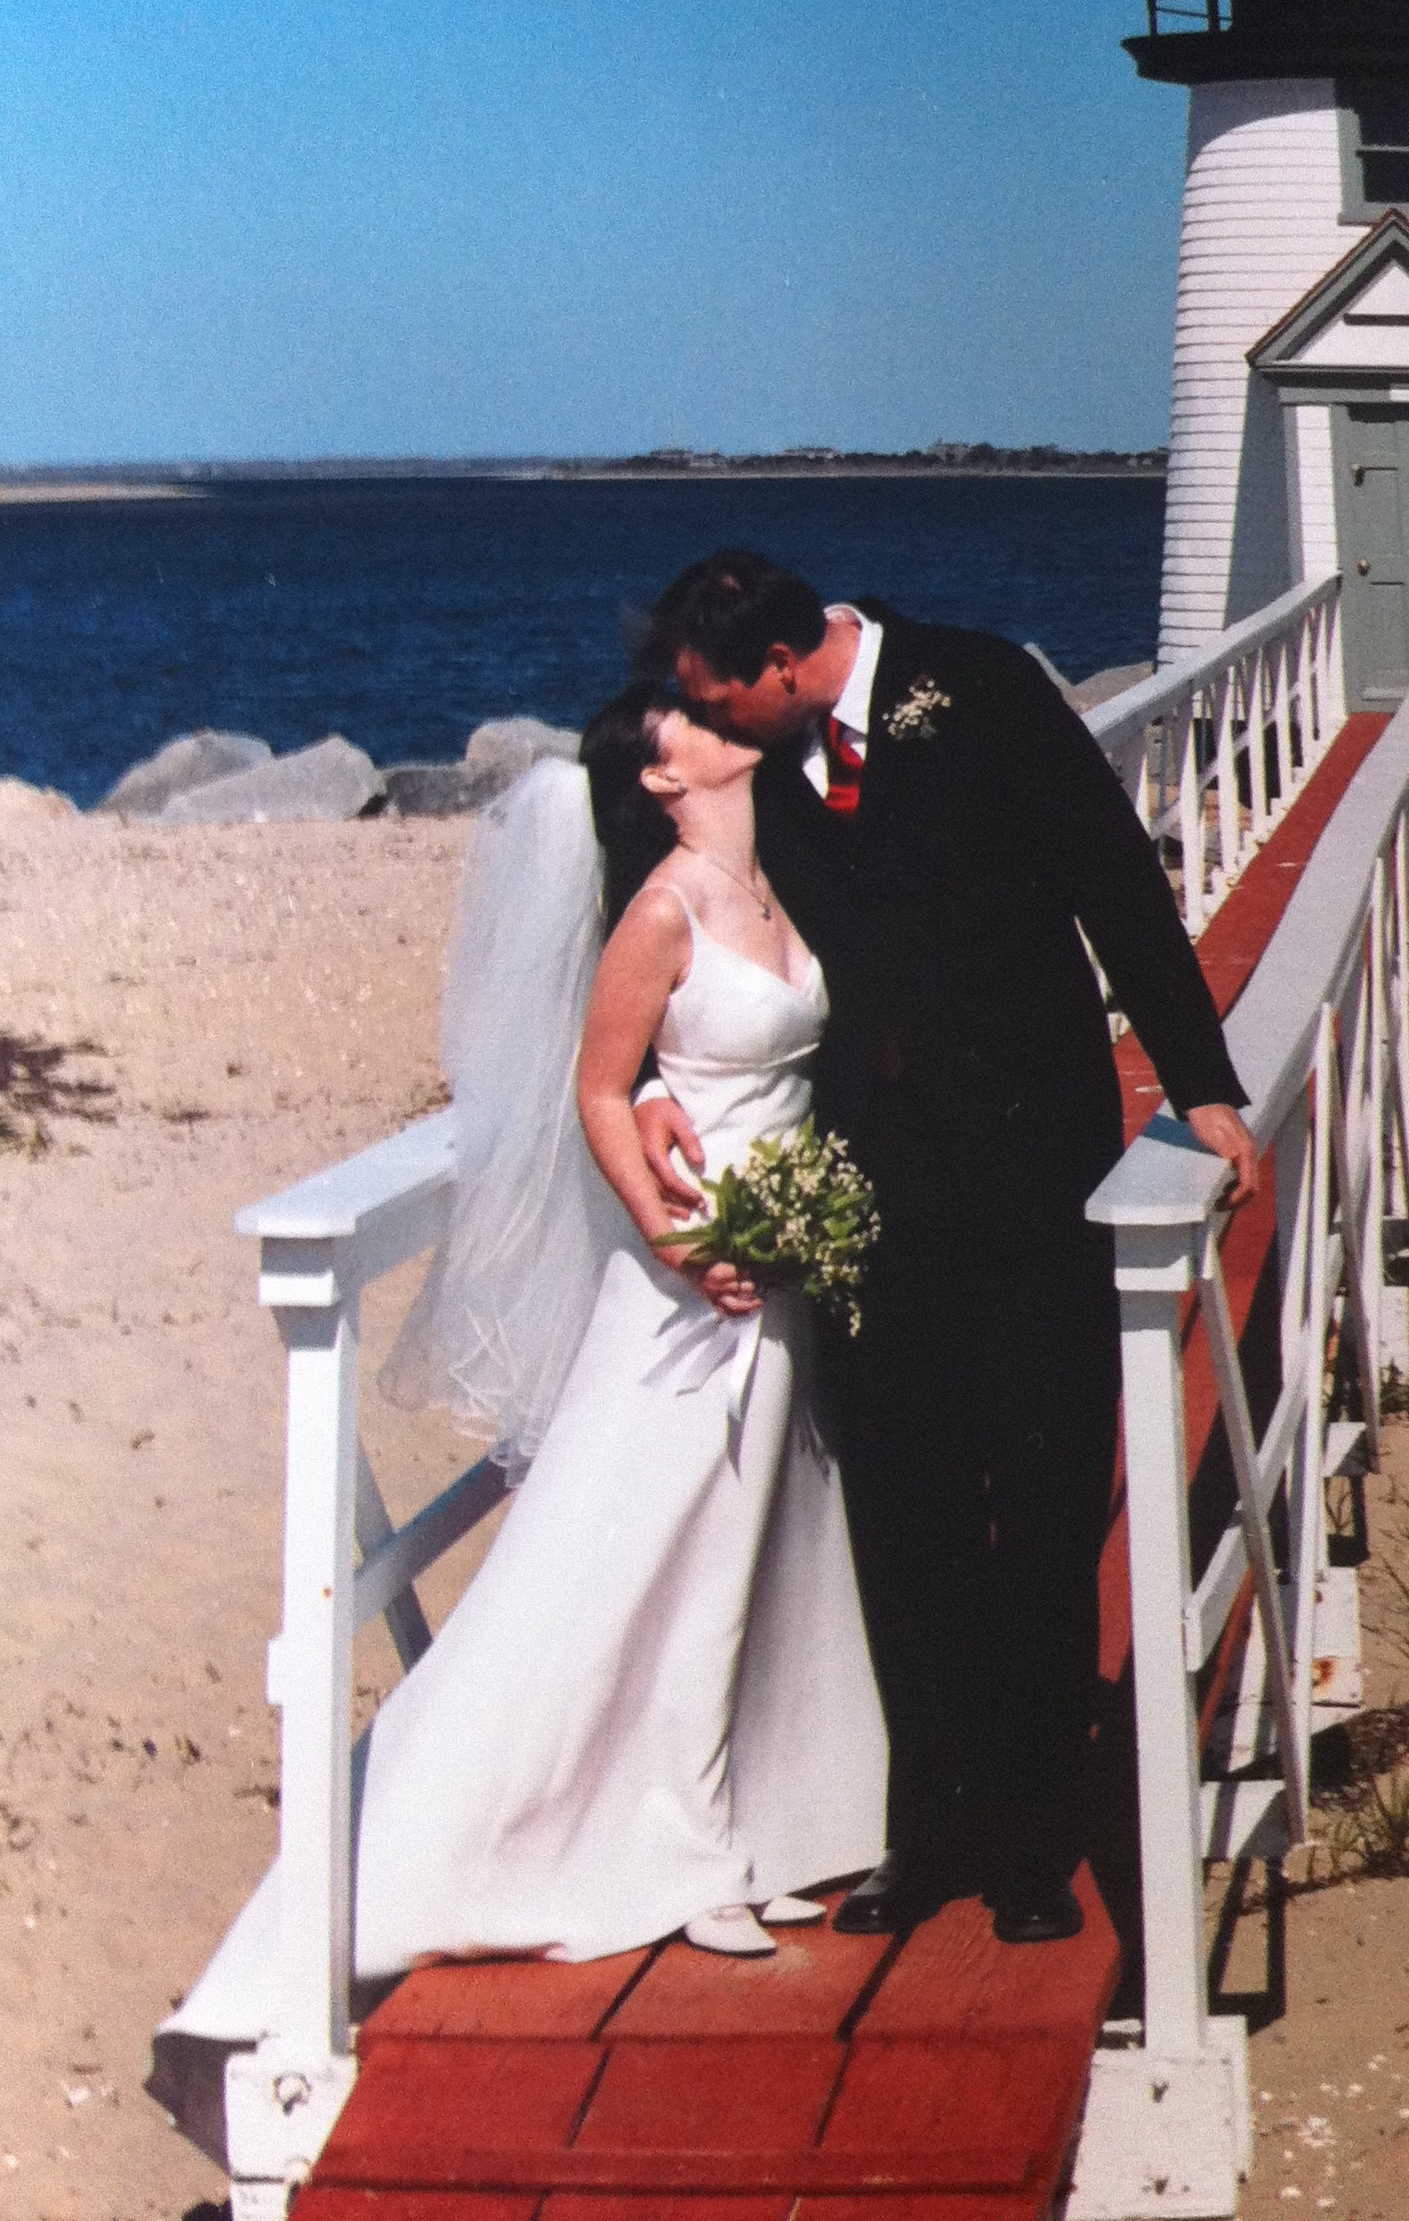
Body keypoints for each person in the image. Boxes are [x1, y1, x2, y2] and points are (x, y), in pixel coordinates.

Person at [635, 553, 1257, 1946]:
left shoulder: (978, 686)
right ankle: (927, 1831)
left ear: (784, 664)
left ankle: (1032, 1843)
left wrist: (1201, 1082)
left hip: (1034, 1169)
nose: (707, 726)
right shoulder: (754, 754)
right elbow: (639, 847)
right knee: (903, 1511)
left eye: (720, 699)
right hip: (867, 1188)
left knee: (1041, 1499)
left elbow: (1111, 875)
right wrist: (646, 1074)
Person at [352, 682, 886, 1970]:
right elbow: (599, 1087)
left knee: (762, 1540)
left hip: (783, 1257)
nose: (720, 716)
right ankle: (673, 1849)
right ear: (660, 776)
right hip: (695, 1277)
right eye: (690, 717)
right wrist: (674, 1240)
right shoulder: (659, 911)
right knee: (654, 1549)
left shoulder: (771, 880)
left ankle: (755, 1820)